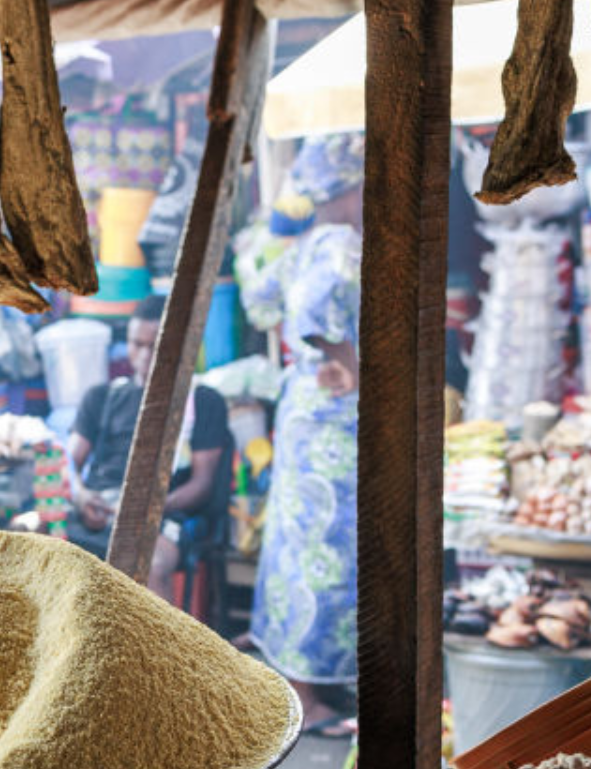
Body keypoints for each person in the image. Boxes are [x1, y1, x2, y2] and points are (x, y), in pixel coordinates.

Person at [248, 134, 365, 735]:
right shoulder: (342, 245)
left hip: (303, 407)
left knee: (302, 543)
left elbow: (260, 304)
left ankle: (306, 679)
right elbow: (321, 325)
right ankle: (310, 693)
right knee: (328, 545)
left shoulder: (301, 245)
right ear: (347, 187)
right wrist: (351, 360)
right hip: (333, 415)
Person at [63, 295, 234, 605]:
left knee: (150, 564)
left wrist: (151, 507)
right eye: (135, 344)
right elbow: (67, 464)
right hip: (100, 509)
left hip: (160, 515)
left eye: (153, 347)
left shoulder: (203, 402)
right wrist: (81, 495)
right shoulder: (100, 397)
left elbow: (202, 484)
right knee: (38, 545)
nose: (142, 356)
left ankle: (163, 653)